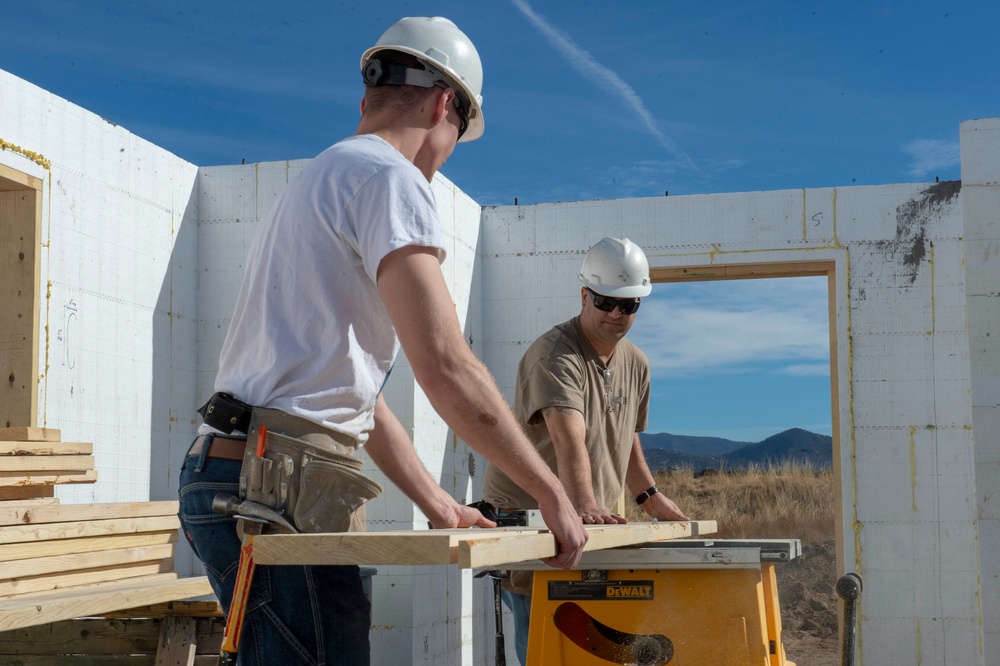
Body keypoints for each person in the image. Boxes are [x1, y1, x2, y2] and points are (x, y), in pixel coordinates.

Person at [177, 16, 587, 666]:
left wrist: (442, 505)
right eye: (456, 136)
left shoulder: (320, 180)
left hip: (232, 470)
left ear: (368, 98)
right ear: (445, 104)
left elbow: (354, 399)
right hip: (281, 479)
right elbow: (446, 365)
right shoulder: (392, 180)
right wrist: (552, 494)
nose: (447, 152)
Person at [481, 237, 690, 665]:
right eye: (604, 301)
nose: (615, 314)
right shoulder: (556, 355)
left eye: (628, 305)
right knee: (545, 648)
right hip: (537, 521)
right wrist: (583, 503)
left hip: (589, 520)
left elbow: (625, 433)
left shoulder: (636, 362)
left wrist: (649, 497)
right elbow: (566, 436)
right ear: (585, 295)